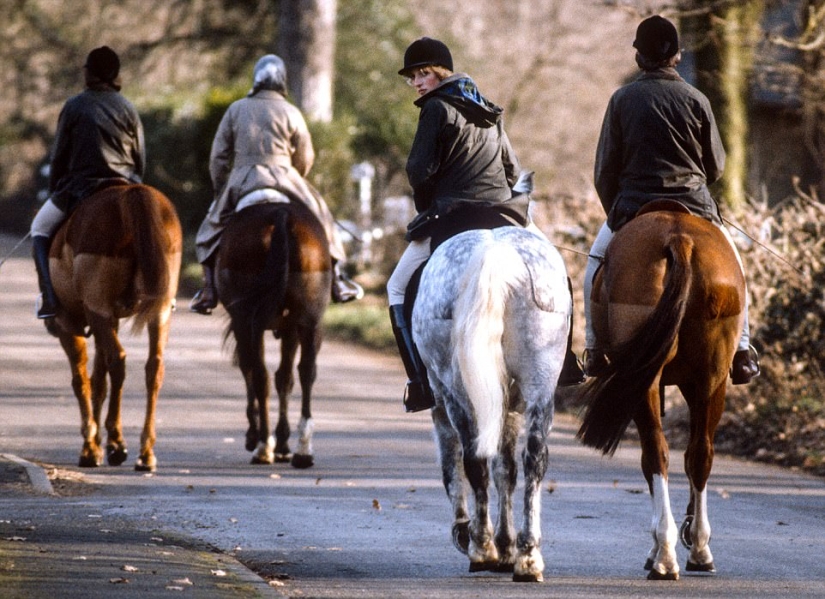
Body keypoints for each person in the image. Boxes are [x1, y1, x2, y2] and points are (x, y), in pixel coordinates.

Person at [388, 37, 585, 413]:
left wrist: (429, 201)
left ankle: (418, 382)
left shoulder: (434, 109)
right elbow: (513, 168)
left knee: (396, 286)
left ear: (441, 73)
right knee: (555, 271)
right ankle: (567, 362)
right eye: (412, 76)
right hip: (506, 212)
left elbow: (418, 170)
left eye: (423, 73)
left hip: (454, 215)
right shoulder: (488, 109)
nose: (416, 82)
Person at [583, 15, 760, 384]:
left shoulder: (622, 99)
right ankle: (742, 350)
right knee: (737, 270)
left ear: (638, 58)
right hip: (694, 204)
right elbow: (716, 167)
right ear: (677, 56)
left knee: (593, 267)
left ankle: (594, 350)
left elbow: (604, 170)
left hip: (633, 206)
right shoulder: (697, 99)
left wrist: (617, 215)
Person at [190, 54, 363, 314]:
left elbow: (218, 156)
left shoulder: (236, 109)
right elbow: (305, 156)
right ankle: (338, 280)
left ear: (256, 80)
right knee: (323, 219)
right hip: (286, 176)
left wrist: (220, 189)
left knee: (209, 229)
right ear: (281, 80)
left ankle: (208, 290)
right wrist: (297, 178)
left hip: (243, 178)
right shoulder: (291, 111)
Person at [31, 46, 145, 319]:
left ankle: (49, 297)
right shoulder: (128, 107)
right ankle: (157, 290)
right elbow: (140, 158)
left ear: (90, 73)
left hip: (81, 187)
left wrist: (55, 190)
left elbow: (59, 156)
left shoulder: (74, 105)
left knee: (39, 229)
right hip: (126, 184)